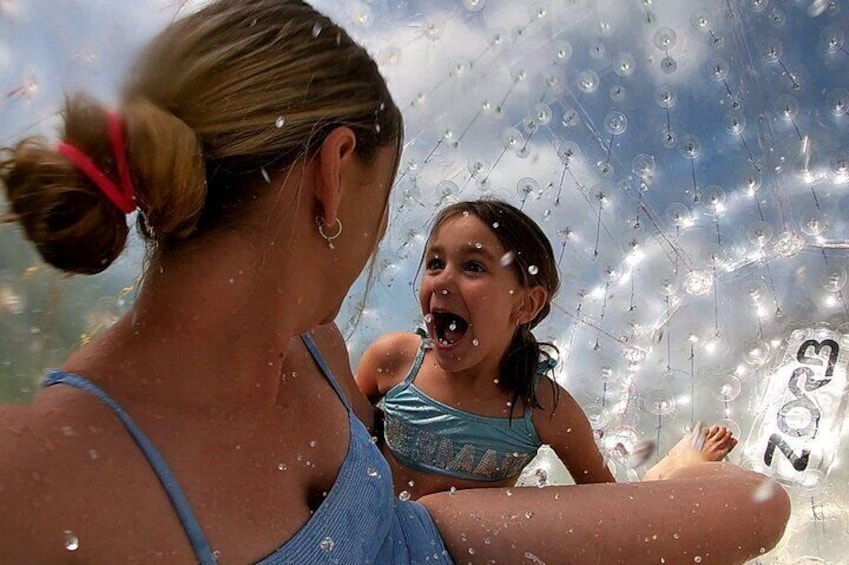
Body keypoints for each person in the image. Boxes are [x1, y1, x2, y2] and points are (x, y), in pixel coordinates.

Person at [0, 2, 788, 564]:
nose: (424, 272)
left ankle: (668, 478)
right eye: (421, 249)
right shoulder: (356, 350)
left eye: (472, 265)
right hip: (432, 530)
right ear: (333, 175)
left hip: (427, 532)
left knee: (758, 502)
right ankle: (666, 479)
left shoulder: (316, 342)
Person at [356, 200, 737, 499]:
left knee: (637, 510)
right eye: (435, 263)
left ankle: (671, 472)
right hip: (379, 528)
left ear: (526, 305)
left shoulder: (542, 407)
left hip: (469, 547)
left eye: (472, 267)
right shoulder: (396, 360)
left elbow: (605, 500)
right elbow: (337, 440)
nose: (442, 281)